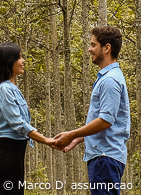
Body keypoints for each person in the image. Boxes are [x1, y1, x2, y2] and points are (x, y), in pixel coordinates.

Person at [53, 25, 131, 191]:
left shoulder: (109, 81)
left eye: (93, 45)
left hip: (104, 156)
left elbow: (105, 121)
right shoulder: (108, 78)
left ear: (107, 48)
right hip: (103, 156)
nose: (89, 49)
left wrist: (72, 134)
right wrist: (78, 139)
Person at [0, 42, 53, 194]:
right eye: (19, 57)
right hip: (8, 153)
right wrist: (46, 140)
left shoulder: (12, 89)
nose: (23, 61)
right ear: (8, 61)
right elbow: (18, 124)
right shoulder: (4, 90)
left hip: (16, 153)